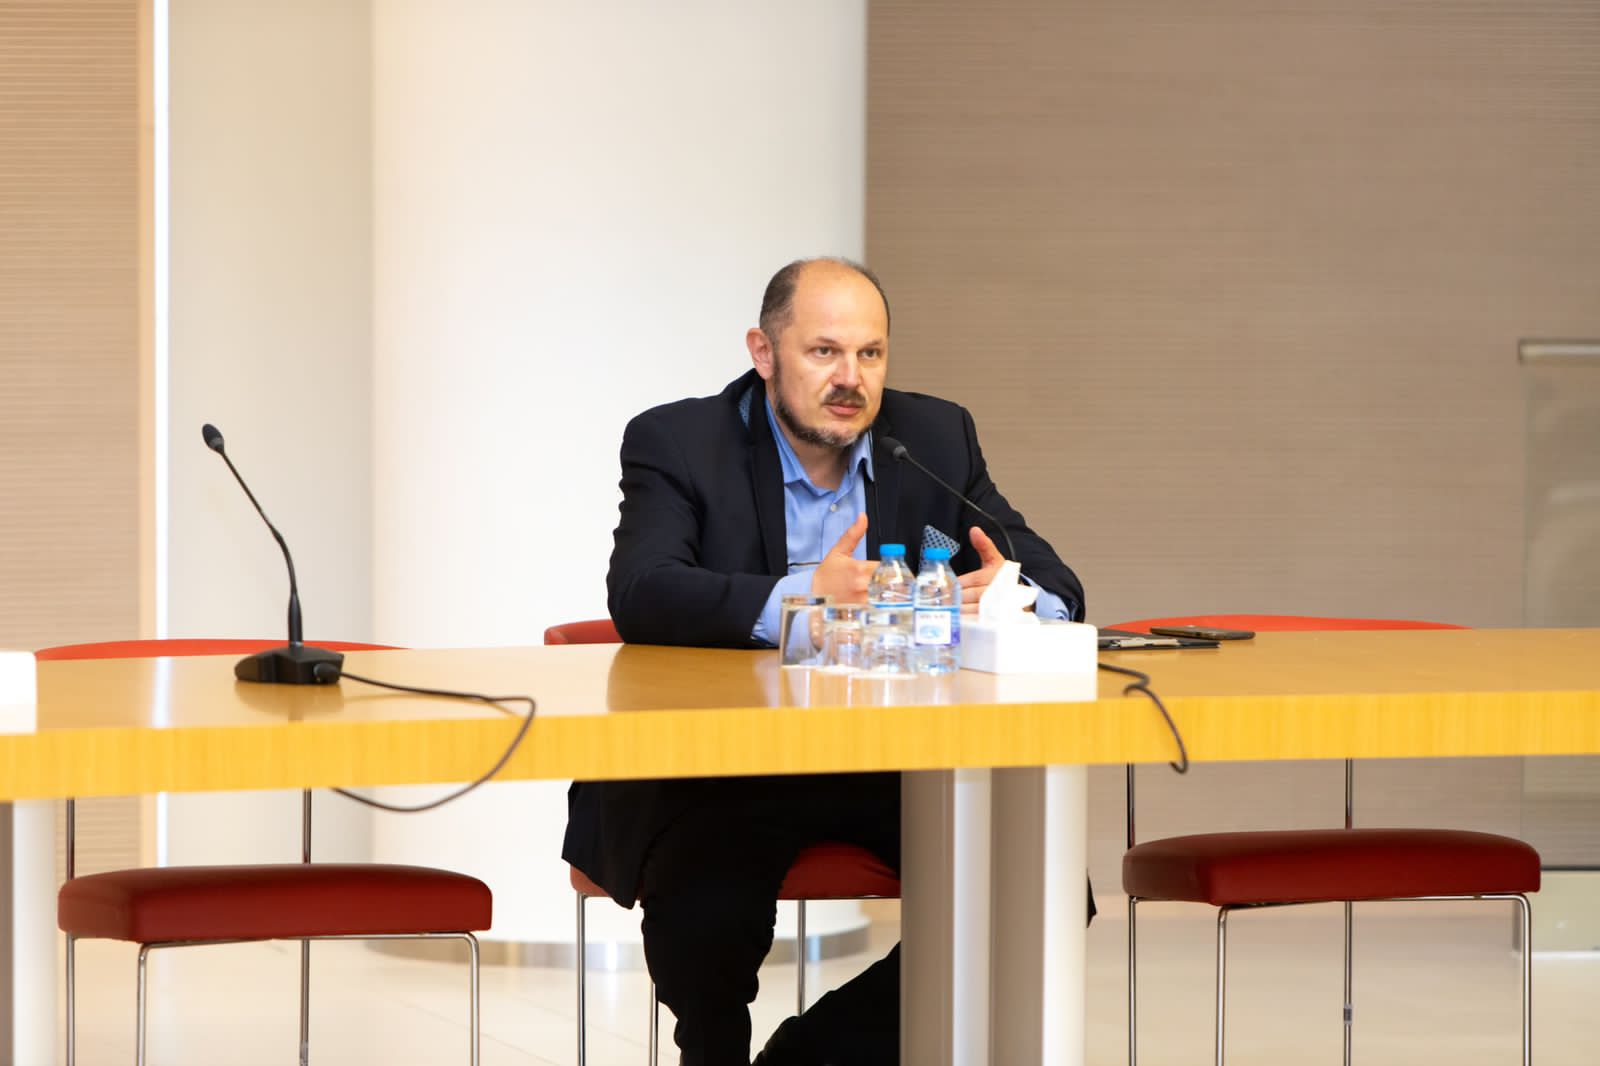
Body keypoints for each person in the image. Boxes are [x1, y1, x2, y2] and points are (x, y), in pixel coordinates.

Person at [562, 257, 1086, 1066]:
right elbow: (643, 590)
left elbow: (1056, 583)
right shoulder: (681, 441)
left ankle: (806, 1058)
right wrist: (803, 596)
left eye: (870, 354)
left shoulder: (933, 438)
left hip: (895, 759)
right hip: (728, 766)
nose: (851, 378)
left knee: (1037, 889)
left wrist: (1009, 594)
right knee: (706, 909)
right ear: (763, 353)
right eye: (824, 352)